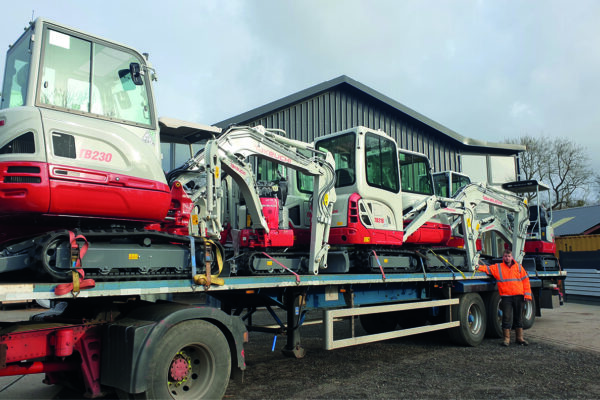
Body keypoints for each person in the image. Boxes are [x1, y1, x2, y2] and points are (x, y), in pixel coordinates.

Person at [478, 249, 532, 346]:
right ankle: (506, 339)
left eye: (509, 256)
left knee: (518, 317)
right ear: (503, 257)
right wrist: (477, 267)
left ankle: (519, 338)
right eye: (505, 256)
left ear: (512, 257)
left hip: (518, 295)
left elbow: (526, 281)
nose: (507, 258)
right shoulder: (498, 267)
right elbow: (487, 269)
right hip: (506, 297)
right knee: (506, 317)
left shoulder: (519, 268)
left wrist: (527, 294)